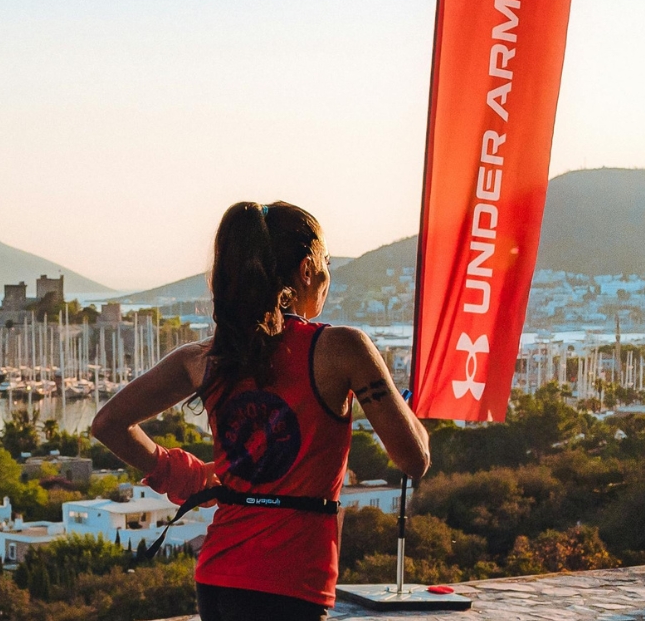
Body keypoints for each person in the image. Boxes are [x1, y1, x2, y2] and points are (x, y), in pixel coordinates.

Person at [92, 201, 430, 621]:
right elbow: (414, 459)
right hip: (291, 583)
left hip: (218, 575)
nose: (328, 278)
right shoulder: (343, 348)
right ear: (307, 269)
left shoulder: (207, 356)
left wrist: (191, 477)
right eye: (326, 264)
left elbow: (108, 424)